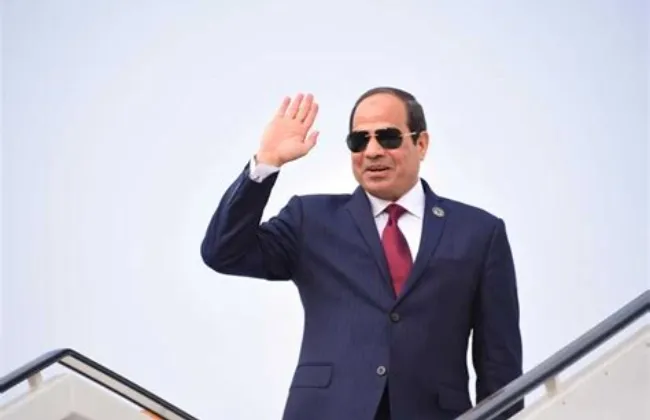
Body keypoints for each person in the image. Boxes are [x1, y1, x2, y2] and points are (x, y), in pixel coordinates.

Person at [200, 88, 524, 420]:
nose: (372, 151)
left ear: (421, 143)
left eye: (388, 138)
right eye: (359, 141)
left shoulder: (479, 232)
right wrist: (266, 162)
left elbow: (499, 363)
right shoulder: (310, 219)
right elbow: (223, 252)